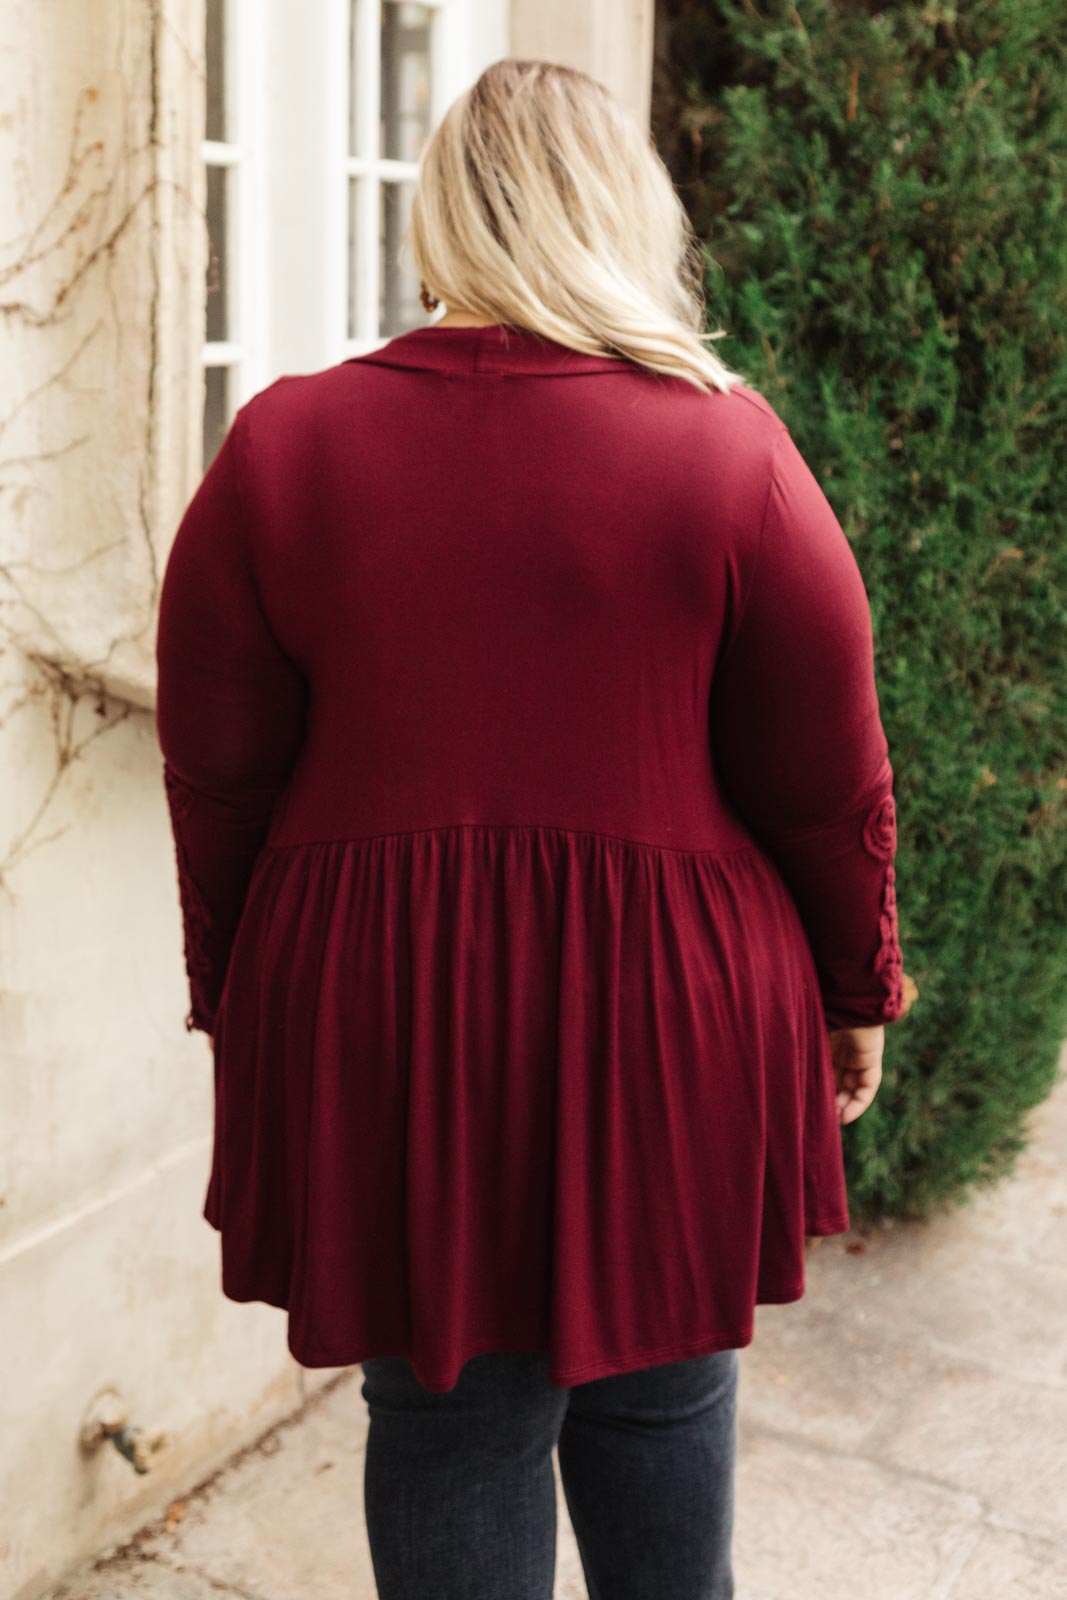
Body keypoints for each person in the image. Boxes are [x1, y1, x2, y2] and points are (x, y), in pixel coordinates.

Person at [154, 56, 909, 1600]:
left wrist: (235, 989)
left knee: (443, 1423)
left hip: (387, 1014)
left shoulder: (283, 453)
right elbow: (827, 780)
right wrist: (857, 991)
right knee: (664, 1398)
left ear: (444, 218)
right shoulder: (728, 453)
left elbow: (217, 775)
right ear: (627, 214)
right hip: (672, 1018)